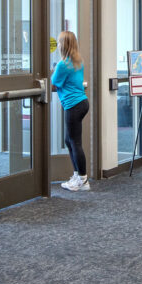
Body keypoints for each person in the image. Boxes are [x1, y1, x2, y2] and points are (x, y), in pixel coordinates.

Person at [51, 30, 90, 191]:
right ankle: (77, 175)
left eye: (59, 42)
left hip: (73, 105)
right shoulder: (77, 61)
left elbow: (53, 84)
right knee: (70, 140)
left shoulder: (62, 65)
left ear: (64, 45)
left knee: (75, 142)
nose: (58, 45)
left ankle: (82, 180)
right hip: (81, 103)